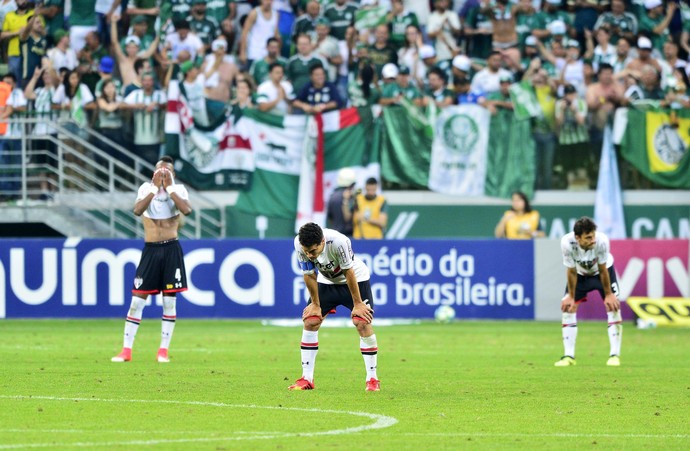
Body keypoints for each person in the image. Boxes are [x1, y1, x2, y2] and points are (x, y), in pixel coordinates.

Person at [112, 156, 193, 363]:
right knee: (137, 301)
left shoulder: (179, 190)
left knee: (169, 301)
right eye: (160, 171)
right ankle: (126, 350)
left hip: (171, 249)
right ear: (153, 173)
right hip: (150, 250)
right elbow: (138, 210)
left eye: (167, 171)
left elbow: (186, 210)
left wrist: (170, 188)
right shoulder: (145, 189)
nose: (163, 174)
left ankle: (163, 351)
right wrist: (154, 188)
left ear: (173, 174)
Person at [288, 222, 380, 391]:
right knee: (311, 320)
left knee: (362, 322)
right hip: (326, 282)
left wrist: (358, 303)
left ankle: (372, 379)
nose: (309, 255)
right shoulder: (299, 243)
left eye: (313, 251)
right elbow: (309, 274)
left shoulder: (339, 242)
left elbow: (348, 271)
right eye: (306, 251)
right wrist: (315, 304)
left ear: (322, 241)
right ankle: (306, 378)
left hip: (355, 280)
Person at [555, 217, 622, 367]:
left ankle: (614, 355)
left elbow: (603, 269)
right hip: (579, 275)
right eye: (588, 237)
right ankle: (568, 356)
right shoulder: (567, 243)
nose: (593, 240)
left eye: (593, 235)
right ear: (577, 237)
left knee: (613, 308)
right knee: (568, 309)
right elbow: (571, 271)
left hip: (602, 274)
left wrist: (609, 294)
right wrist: (571, 297)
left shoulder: (602, 241)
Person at [326, 167, 356, 237]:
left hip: (335, 235)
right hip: (349, 236)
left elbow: (330, 218)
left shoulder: (332, 196)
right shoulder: (351, 197)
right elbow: (348, 218)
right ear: (351, 184)